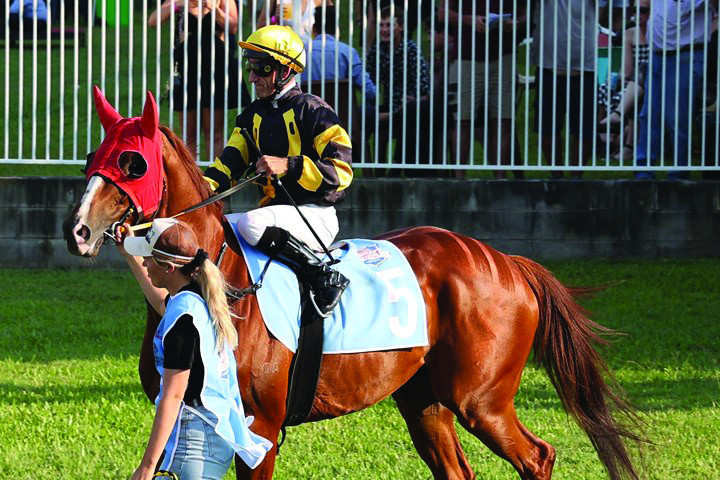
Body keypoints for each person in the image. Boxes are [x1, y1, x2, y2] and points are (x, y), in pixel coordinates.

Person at [203, 25, 352, 317]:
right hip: (276, 217)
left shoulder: (314, 110)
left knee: (248, 224)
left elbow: (341, 172)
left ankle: (323, 277)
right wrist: (192, 192)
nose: (252, 77)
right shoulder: (250, 116)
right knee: (222, 229)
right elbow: (226, 166)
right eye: (251, 67)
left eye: (261, 68)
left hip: (315, 214)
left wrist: (289, 165)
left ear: (285, 70)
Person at [115, 218, 272, 480]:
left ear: (168, 268)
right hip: (212, 437)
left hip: (193, 447)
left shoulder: (183, 321)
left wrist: (147, 466)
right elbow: (161, 303)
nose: (144, 262)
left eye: (148, 258)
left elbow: (173, 397)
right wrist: (129, 256)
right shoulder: (193, 300)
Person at [440, 0, 527, 179]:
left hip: (504, 54)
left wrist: (516, 24)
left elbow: (526, 14)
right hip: (467, 55)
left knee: (503, 120)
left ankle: (500, 180)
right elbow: (443, 14)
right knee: (463, 121)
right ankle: (459, 181)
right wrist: (469, 20)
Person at [149, 0, 245, 160]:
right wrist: (178, 5)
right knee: (188, 134)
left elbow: (233, 27)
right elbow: (152, 21)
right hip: (187, 69)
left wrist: (212, 8)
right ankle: (191, 180)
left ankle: (216, 178)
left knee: (214, 131)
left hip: (215, 69)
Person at [634, 0, 718, 180]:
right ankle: (644, 168)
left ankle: (679, 171)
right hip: (658, 54)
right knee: (649, 114)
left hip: (685, 54)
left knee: (677, 117)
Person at [531, 0, 597, 179]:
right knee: (547, 127)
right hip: (548, 64)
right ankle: (557, 176)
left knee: (583, 129)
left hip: (584, 66)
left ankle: (576, 178)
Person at [365, 6, 431, 175]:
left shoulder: (411, 49)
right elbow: (368, 81)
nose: (384, 30)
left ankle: (395, 168)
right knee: (364, 114)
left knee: (407, 114)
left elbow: (423, 85)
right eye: (381, 25)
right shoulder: (377, 50)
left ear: (401, 27)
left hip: (409, 106)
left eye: (389, 25)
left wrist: (404, 106)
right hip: (388, 105)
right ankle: (371, 172)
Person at [598, 0, 650, 162]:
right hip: (634, 83)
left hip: (653, 81)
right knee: (604, 88)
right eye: (635, 10)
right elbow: (626, 70)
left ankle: (619, 120)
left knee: (643, 76)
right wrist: (618, 79)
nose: (638, 15)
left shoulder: (658, 33)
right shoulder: (630, 33)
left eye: (643, 10)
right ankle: (603, 133)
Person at [256, 0, 333, 40]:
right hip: (285, 51)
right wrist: (275, 18)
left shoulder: (319, 1)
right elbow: (260, 28)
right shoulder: (277, 1)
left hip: (311, 51)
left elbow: (332, 24)